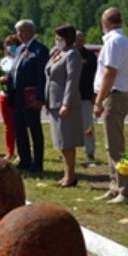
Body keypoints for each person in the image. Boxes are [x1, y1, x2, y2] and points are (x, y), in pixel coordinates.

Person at [93, 8, 128, 204]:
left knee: (115, 145)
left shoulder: (113, 42)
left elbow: (110, 73)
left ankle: (125, 190)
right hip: (117, 94)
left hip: (114, 95)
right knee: (111, 144)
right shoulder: (121, 40)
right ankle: (114, 186)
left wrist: (99, 100)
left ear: (105, 23)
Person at [3, 20, 49, 172]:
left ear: (29, 31)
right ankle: (24, 159)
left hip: (31, 97)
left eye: (20, 31)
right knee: (19, 129)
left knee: (34, 129)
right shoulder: (19, 49)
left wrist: (41, 98)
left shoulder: (39, 50)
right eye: (17, 31)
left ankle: (37, 162)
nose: (18, 35)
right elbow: (15, 69)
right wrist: (7, 78)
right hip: (17, 96)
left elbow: (42, 76)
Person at [44, 24, 83, 187]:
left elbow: (71, 81)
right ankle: (66, 174)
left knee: (67, 141)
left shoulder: (73, 54)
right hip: (54, 101)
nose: (57, 40)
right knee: (60, 141)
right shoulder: (59, 53)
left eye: (59, 37)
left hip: (64, 103)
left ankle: (71, 175)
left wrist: (66, 103)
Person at [74, 29, 98, 163]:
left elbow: (95, 76)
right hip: (70, 98)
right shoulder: (68, 54)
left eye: (82, 38)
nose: (80, 41)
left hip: (85, 97)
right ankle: (70, 151)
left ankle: (90, 152)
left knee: (88, 126)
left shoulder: (90, 56)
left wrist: (94, 94)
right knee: (70, 127)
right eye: (77, 38)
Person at [0, 34, 20, 159]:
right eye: (8, 44)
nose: (10, 47)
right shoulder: (4, 60)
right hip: (3, 95)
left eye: (13, 44)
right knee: (7, 126)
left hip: (15, 96)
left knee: (18, 124)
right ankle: (10, 151)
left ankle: (21, 152)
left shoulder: (19, 58)